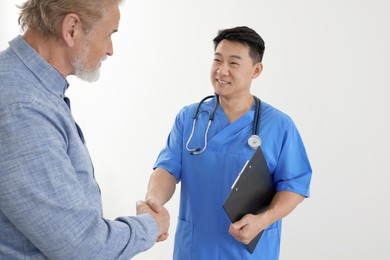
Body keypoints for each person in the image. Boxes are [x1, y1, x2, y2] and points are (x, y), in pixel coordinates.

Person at [0, 0, 169, 259]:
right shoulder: (23, 108)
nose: (110, 50)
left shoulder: (31, 89)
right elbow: (83, 247)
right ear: (71, 29)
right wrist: (151, 225)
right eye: (109, 34)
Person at [144, 26, 312, 259]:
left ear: (256, 70)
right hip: (195, 249)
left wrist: (263, 220)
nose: (222, 71)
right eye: (217, 60)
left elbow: (294, 185)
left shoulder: (279, 125)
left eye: (233, 63)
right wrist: (154, 200)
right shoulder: (190, 118)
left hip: (248, 252)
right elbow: (167, 169)